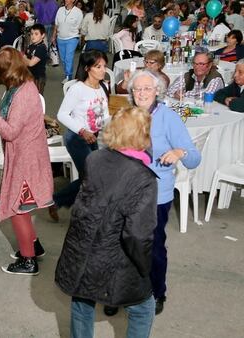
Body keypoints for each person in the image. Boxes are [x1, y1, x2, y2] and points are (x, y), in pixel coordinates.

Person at [55, 106, 157, 338]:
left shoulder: (95, 159)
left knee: (82, 301)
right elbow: (138, 235)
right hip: (117, 259)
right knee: (143, 308)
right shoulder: (143, 177)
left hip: (82, 252)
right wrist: (145, 266)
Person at [107, 69, 201, 316]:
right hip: (125, 193)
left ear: (157, 91)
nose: (142, 93)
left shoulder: (168, 117)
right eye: (137, 89)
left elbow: (194, 158)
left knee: (154, 246)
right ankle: (118, 291)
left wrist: (179, 153)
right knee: (119, 243)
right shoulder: (125, 115)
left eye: (147, 88)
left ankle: (156, 292)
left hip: (156, 195)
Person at [0, 48, 54, 276]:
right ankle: (33, 246)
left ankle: (28, 261)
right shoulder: (20, 87)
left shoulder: (23, 93)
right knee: (23, 206)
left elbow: (10, 131)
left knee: (17, 208)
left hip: (25, 160)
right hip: (24, 156)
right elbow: (13, 117)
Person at [50, 50, 110, 220]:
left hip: (94, 138)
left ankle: (57, 201)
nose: (102, 70)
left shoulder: (102, 87)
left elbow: (104, 116)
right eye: (98, 67)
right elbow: (62, 115)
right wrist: (83, 131)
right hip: (77, 139)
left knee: (90, 178)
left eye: (104, 66)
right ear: (87, 68)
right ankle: (87, 214)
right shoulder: (78, 89)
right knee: (93, 177)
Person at [52, 0, 83, 83]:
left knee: (68, 58)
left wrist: (81, 39)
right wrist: (53, 36)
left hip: (72, 38)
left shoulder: (78, 12)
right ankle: (68, 74)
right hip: (60, 38)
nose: (66, 0)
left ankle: (68, 77)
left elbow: (80, 27)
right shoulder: (60, 10)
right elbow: (56, 24)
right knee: (63, 59)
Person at [24, 23, 48, 94]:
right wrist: (27, 60)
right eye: (31, 34)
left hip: (38, 78)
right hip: (30, 75)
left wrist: (26, 60)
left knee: (38, 97)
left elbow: (31, 63)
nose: (33, 36)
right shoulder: (31, 46)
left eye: (36, 34)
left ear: (42, 35)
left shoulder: (41, 48)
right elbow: (23, 58)